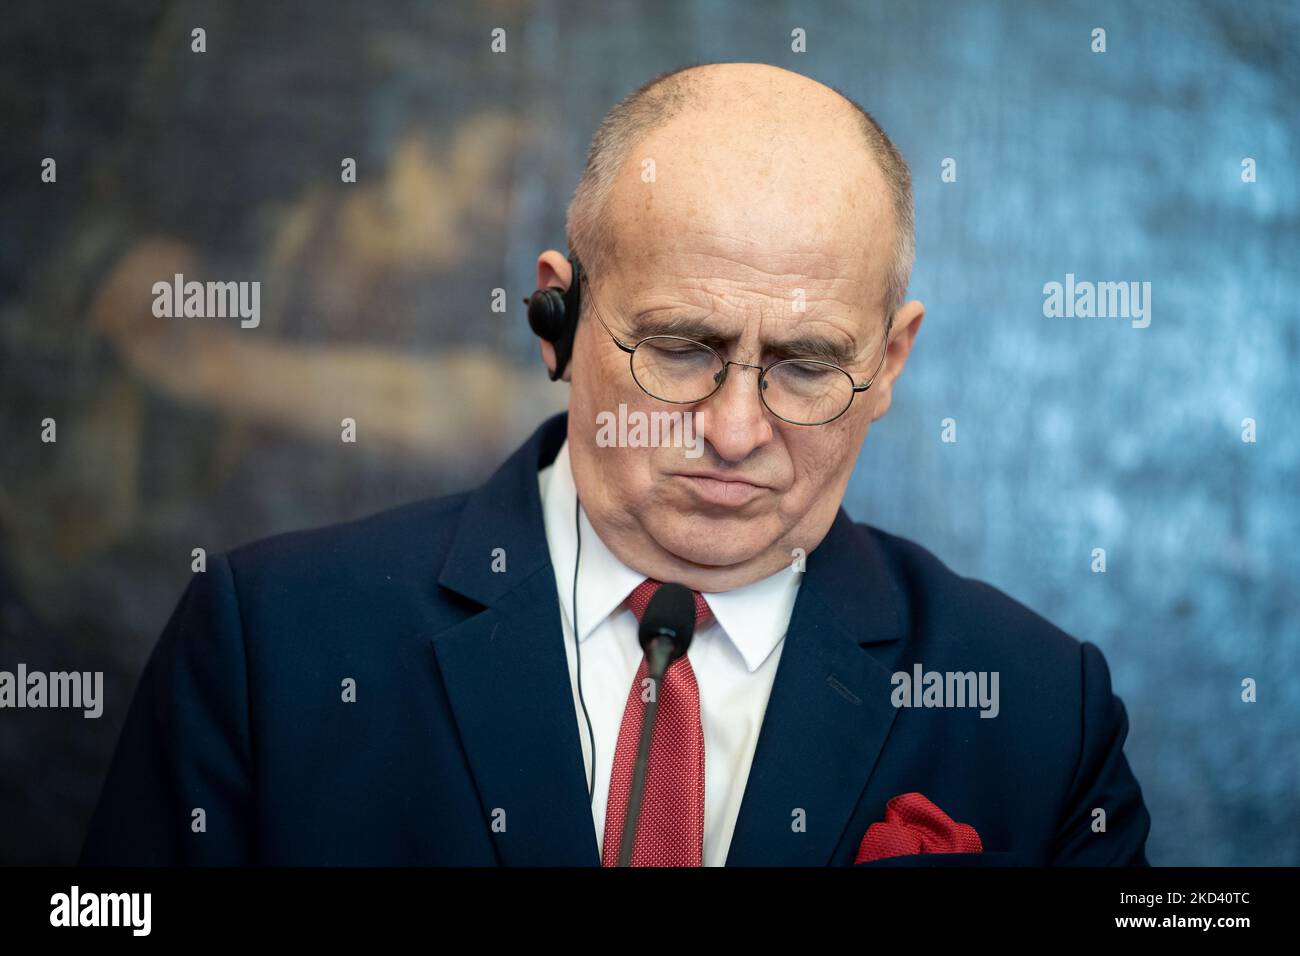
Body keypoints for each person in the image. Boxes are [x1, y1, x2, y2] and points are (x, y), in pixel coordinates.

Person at [80, 62, 1149, 866]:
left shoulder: (1041, 710)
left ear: (892, 357)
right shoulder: (268, 643)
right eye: (682, 350)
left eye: (808, 365)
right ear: (557, 318)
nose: (735, 431)